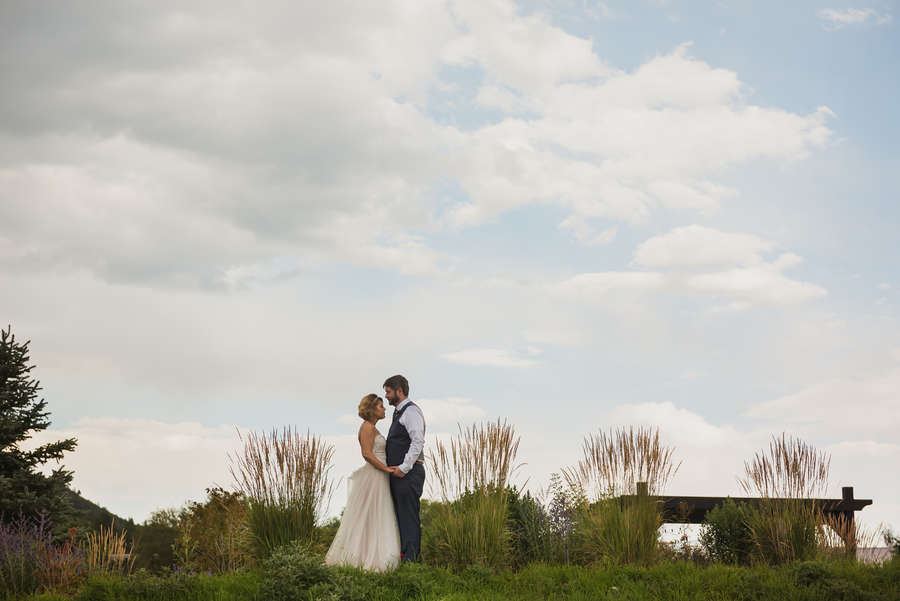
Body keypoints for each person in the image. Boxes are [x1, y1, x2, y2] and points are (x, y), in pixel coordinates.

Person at [325, 394, 401, 572]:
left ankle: (373, 556)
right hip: (374, 475)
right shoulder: (367, 427)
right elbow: (367, 454)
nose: (384, 409)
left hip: (379, 475)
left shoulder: (372, 428)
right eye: (381, 406)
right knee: (371, 514)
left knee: (376, 515)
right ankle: (364, 559)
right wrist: (386, 468)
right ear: (372, 409)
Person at [383, 374, 426, 562]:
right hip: (400, 475)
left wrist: (404, 467)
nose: (386, 396)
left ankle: (411, 561)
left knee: (409, 517)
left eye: (389, 392)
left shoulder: (411, 412)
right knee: (401, 516)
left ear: (399, 391)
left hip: (408, 474)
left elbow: (418, 441)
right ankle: (404, 557)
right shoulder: (399, 413)